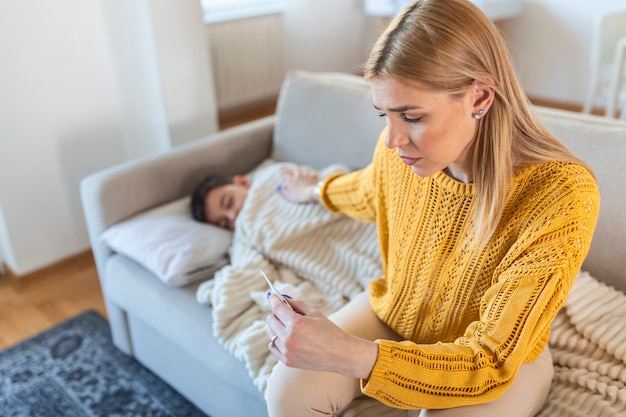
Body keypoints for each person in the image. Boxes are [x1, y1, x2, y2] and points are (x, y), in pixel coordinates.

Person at [263, 0, 601, 416]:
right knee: (286, 392)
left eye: (412, 116)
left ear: (479, 96)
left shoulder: (561, 193)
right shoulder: (397, 154)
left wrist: (349, 354)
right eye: (385, 114)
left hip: (495, 360)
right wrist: (315, 190)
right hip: (395, 315)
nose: (393, 139)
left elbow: (490, 360)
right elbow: (368, 191)